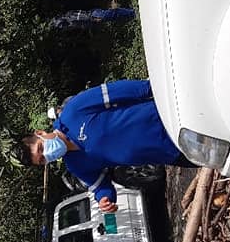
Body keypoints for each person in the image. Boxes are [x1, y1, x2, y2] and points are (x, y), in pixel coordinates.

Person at [15, 79, 192, 213]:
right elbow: (101, 186)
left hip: (170, 117)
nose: (48, 154)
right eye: (43, 159)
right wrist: (104, 199)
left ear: (40, 133)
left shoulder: (73, 111)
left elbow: (118, 91)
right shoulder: (76, 165)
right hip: (173, 153)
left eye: (41, 148)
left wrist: (156, 87)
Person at [50, 7, 136, 30]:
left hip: (94, 15)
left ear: (60, 20)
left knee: (112, 14)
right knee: (113, 17)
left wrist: (94, 19)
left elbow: (84, 17)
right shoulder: (69, 23)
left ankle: (132, 12)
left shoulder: (70, 17)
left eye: (60, 25)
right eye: (59, 27)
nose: (61, 27)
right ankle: (131, 15)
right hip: (93, 17)